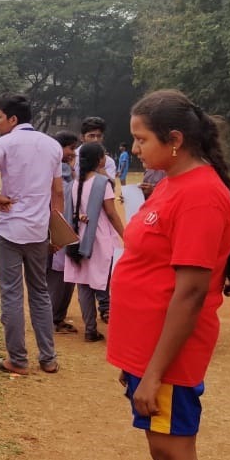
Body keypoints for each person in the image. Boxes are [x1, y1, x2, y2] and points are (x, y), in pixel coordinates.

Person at [108, 89, 230, 460]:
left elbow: (189, 292)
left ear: (174, 139)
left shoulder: (201, 194)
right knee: (164, 459)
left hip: (169, 358)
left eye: (141, 139)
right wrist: (136, 363)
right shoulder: (172, 183)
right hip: (151, 353)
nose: (134, 149)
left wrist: (153, 372)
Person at [0, 93, 63, 376]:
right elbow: (57, 190)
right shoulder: (52, 145)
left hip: (9, 229)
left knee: (12, 295)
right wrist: (57, 230)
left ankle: (18, 359)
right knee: (40, 292)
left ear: (13, 119)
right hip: (39, 231)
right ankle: (48, 358)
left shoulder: (4, 143)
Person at [64, 143, 126, 342]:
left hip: (79, 237)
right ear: (100, 159)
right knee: (106, 280)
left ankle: (90, 329)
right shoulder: (102, 182)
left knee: (84, 284)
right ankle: (115, 325)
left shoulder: (75, 182)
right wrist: (127, 235)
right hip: (99, 238)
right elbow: (111, 213)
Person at [80, 117, 115, 323]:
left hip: (100, 221)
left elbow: (110, 187)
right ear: (82, 137)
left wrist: (100, 168)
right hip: (81, 221)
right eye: (91, 136)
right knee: (84, 269)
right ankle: (89, 320)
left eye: (98, 136)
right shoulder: (74, 157)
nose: (95, 139)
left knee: (103, 265)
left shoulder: (107, 161)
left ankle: (105, 306)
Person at [48, 130, 80, 334]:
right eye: (71, 148)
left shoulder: (66, 170)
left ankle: (54, 317)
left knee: (58, 276)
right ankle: (53, 318)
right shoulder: (61, 171)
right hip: (60, 228)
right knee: (59, 277)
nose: (73, 153)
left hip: (57, 228)